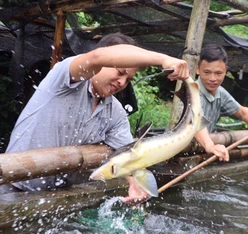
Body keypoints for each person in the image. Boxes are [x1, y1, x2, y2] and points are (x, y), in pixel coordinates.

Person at [1, 33, 228, 204]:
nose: (122, 83)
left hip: (53, 196)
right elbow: (98, 56)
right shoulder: (63, 79)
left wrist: (134, 186)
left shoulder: (116, 113)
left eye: (128, 79)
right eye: (119, 72)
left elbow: (129, 155)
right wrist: (163, 59)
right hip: (10, 186)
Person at [196, 43, 248, 134]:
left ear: (226, 70)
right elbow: (197, 127)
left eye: (218, 73)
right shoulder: (192, 94)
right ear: (197, 69)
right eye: (207, 72)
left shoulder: (220, 92)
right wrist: (209, 145)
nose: (212, 79)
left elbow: (242, 112)